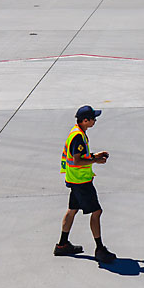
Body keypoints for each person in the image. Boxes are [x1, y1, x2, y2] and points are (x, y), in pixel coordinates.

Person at [55, 105, 116, 264]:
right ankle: (100, 249)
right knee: (96, 212)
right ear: (85, 120)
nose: (95, 120)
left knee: (72, 209)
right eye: (93, 118)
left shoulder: (77, 132)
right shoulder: (78, 137)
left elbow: (81, 156)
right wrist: (95, 160)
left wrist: (95, 155)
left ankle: (62, 245)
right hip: (81, 182)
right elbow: (77, 160)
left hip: (75, 180)